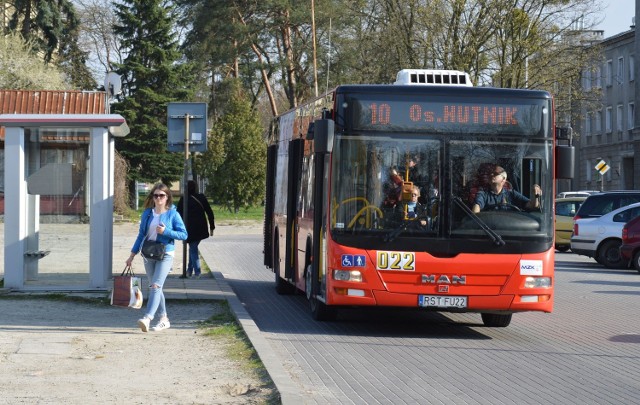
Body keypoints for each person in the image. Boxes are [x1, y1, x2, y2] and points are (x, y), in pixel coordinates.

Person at [126, 183, 188, 332]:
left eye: (162, 195)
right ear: (153, 197)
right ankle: (164, 319)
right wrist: (132, 255)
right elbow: (141, 235)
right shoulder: (147, 213)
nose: (159, 198)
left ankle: (147, 318)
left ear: (167, 197)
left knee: (156, 286)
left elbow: (184, 234)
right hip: (148, 253)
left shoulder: (173, 214)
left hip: (165, 254)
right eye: (156, 195)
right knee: (155, 287)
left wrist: (166, 231)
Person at [176, 180, 216, 278]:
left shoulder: (183, 199)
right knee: (193, 248)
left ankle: (197, 272)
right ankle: (189, 270)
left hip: (189, 228)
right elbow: (209, 212)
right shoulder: (201, 197)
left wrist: (177, 228)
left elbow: (177, 215)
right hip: (201, 228)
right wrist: (212, 226)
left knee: (193, 249)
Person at [472, 165, 542, 213]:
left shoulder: (512, 194)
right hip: (489, 231)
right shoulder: (483, 194)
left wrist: (535, 196)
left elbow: (532, 206)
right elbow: (476, 211)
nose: (491, 175)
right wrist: (476, 211)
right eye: (491, 173)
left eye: (495, 173)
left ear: (503, 179)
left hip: (509, 232)